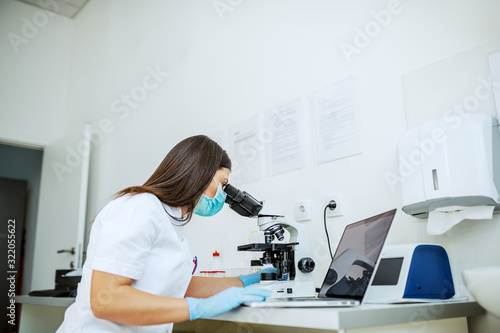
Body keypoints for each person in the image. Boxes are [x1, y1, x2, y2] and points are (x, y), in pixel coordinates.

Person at [56, 135, 273, 333]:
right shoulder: (139, 208)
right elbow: (106, 300)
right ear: (199, 173)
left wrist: (246, 282)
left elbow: (179, 285)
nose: (224, 196)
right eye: (223, 185)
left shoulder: (170, 220)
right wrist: (200, 308)